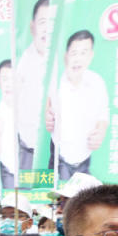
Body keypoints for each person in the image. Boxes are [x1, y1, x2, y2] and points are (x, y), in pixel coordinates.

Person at [45, 30, 109, 180]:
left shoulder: (97, 82)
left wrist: (100, 131)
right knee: (58, 199)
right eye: (74, 53)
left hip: (85, 159)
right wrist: (47, 116)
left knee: (84, 200)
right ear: (66, 55)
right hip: (59, 159)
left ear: (91, 55)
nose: (78, 59)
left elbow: (103, 113)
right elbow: (46, 107)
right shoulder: (56, 83)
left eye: (83, 53)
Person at [16, 0, 51, 174]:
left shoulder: (67, 61)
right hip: (28, 149)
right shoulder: (22, 64)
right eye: (43, 21)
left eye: (52, 22)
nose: (47, 29)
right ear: (32, 26)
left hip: (58, 151)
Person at [0, 59, 18, 189]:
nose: (8, 84)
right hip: (6, 171)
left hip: (29, 173)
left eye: (12, 79)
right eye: (5, 79)